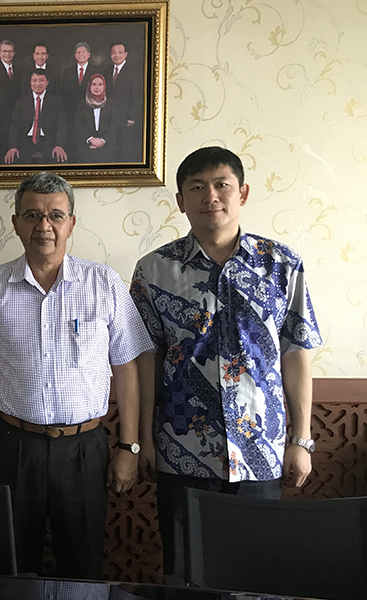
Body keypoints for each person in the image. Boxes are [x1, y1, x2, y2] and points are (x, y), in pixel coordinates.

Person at [130, 146, 322, 581]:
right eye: (197, 187)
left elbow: (296, 353)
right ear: (181, 200)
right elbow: (145, 360)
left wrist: (301, 439)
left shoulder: (281, 266)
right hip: (182, 451)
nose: (210, 196)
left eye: (222, 185)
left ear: (243, 193)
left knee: (255, 574)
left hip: (261, 451)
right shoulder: (153, 270)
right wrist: (144, 440)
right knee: (185, 574)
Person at [0, 172, 152, 578]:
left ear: (71, 223)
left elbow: (126, 367)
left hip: (85, 450)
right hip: (13, 446)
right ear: (15, 223)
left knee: (82, 565)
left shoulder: (104, 284)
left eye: (55, 215)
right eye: (32, 215)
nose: (43, 226)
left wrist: (129, 447)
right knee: (10, 563)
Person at [5, 70, 69, 165]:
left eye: (41, 80)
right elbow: (15, 126)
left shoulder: (57, 101)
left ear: (47, 82)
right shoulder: (21, 102)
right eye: (34, 80)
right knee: (11, 160)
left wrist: (59, 145)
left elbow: (62, 125)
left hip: (48, 140)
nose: (37, 84)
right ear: (30, 83)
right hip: (26, 140)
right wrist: (13, 146)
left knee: (60, 159)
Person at [107, 42, 144, 162]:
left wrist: (131, 116)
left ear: (126, 54)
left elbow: (137, 96)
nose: (117, 55)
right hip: (109, 117)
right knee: (112, 147)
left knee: (125, 147)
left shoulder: (134, 71)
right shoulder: (106, 71)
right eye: (114, 53)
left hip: (126, 117)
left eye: (120, 52)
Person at [73, 73, 119, 164]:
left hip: (107, 146)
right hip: (86, 147)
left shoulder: (111, 104)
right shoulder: (82, 104)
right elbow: (78, 124)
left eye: (100, 84)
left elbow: (114, 124)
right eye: (94, 84)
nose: (97, 87)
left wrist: (102, 140)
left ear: (104, 86)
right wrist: (91, 139)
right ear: (89, 86)